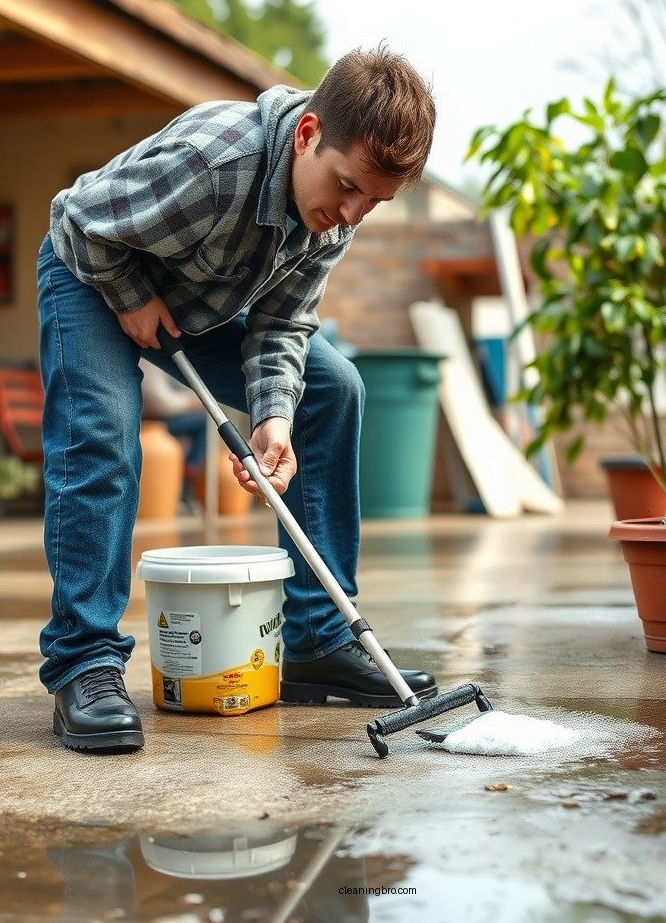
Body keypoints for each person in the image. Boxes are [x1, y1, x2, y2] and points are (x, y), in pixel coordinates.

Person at [38, 46, 439, 752]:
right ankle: (84, 662)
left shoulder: (335, 214)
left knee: (334, 386)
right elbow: (75, 218)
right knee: (102, 433)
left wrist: (274, 419)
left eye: (371, 202)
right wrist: (131, 299)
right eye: (346, 186)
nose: (350, 213)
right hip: (94, 277)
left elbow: (281, 323)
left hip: (198, 304)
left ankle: (317, 641)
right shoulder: (213, 163)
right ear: (309, 133)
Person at [138, 359, 208, 510]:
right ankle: (189, 474)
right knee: (204, 423)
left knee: (202, 423)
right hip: (152, 418)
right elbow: (157, 400)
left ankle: (189, 474)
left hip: (163, 415)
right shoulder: (149, 358)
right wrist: (189, 402)